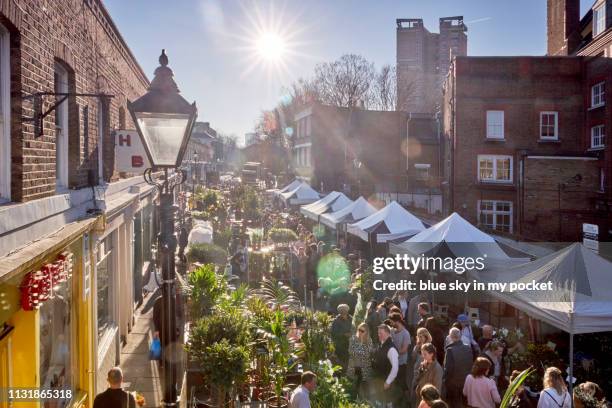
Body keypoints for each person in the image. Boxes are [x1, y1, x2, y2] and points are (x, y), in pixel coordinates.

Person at [443, 327, 473, 408]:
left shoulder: (450, 350)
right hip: (465, 381)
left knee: (453, 403)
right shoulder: (468, 348)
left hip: (453, 383)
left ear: (450, 337)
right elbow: (470, 363)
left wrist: (444, 380)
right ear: (460, 336)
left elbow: (448, 368)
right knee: (464, 403)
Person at [372, 324, 399, 407]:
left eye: (381, 333)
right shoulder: (382, 344)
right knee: (380, 400)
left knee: (388, 402)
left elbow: (395, 368)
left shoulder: (391, 349)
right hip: (380, 379)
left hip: (387, 381)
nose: (379, 335)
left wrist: (388, 382)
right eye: (378, 333)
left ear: (387, 333)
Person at [347, 323, 375, 399]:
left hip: (365, 368)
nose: (360, 332)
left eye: (362, 331)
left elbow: (368, 353)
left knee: (365, 388)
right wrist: (361, 350)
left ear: (367, 332)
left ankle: (365, 403)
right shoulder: (353, 338)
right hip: (354, 367)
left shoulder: (369, 340)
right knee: (353, 387)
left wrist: (362, 342)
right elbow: (350, 351)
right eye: (359, 329)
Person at [390, 312, 412, 406]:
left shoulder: (405, 333)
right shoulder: (392, 331)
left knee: (402, 382)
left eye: (392, 322)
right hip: (392, 361)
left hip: (401, 362)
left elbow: (404, 349)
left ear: (397, 321)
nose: (391, 324)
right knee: (394, 380)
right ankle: (396, 400)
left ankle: (408, 401)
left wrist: (393, 353)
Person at [330, 304, 353, 370]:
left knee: (349, 358)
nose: (343, 312)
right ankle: (343, 371)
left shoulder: (351, 318)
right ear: (339, 311)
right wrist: (344, 334)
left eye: (345, 310)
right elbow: (333, 333)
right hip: (340, 344)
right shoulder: (336, 321)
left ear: (347, 311)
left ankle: (349, 371)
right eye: (341, 310)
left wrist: (352, 333)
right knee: (342, 359)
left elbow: (354, 327)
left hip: (350, 342)